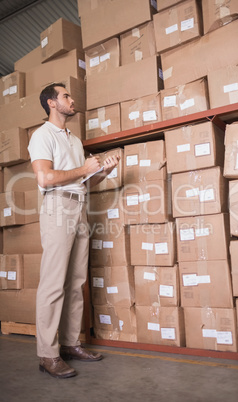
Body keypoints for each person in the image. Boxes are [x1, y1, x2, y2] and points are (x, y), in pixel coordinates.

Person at [28, 82, 120, 379]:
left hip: (78, 206)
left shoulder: (75, 140)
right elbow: (45, 178)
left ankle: (69, 344)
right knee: (54, 283)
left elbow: (81, 182)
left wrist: (101, 172)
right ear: (52, 103)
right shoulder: (41, 135)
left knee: (76, 281)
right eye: (65, 95)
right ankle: (48, 354)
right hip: (57, 208)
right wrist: (84, 169)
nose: (71, 98)